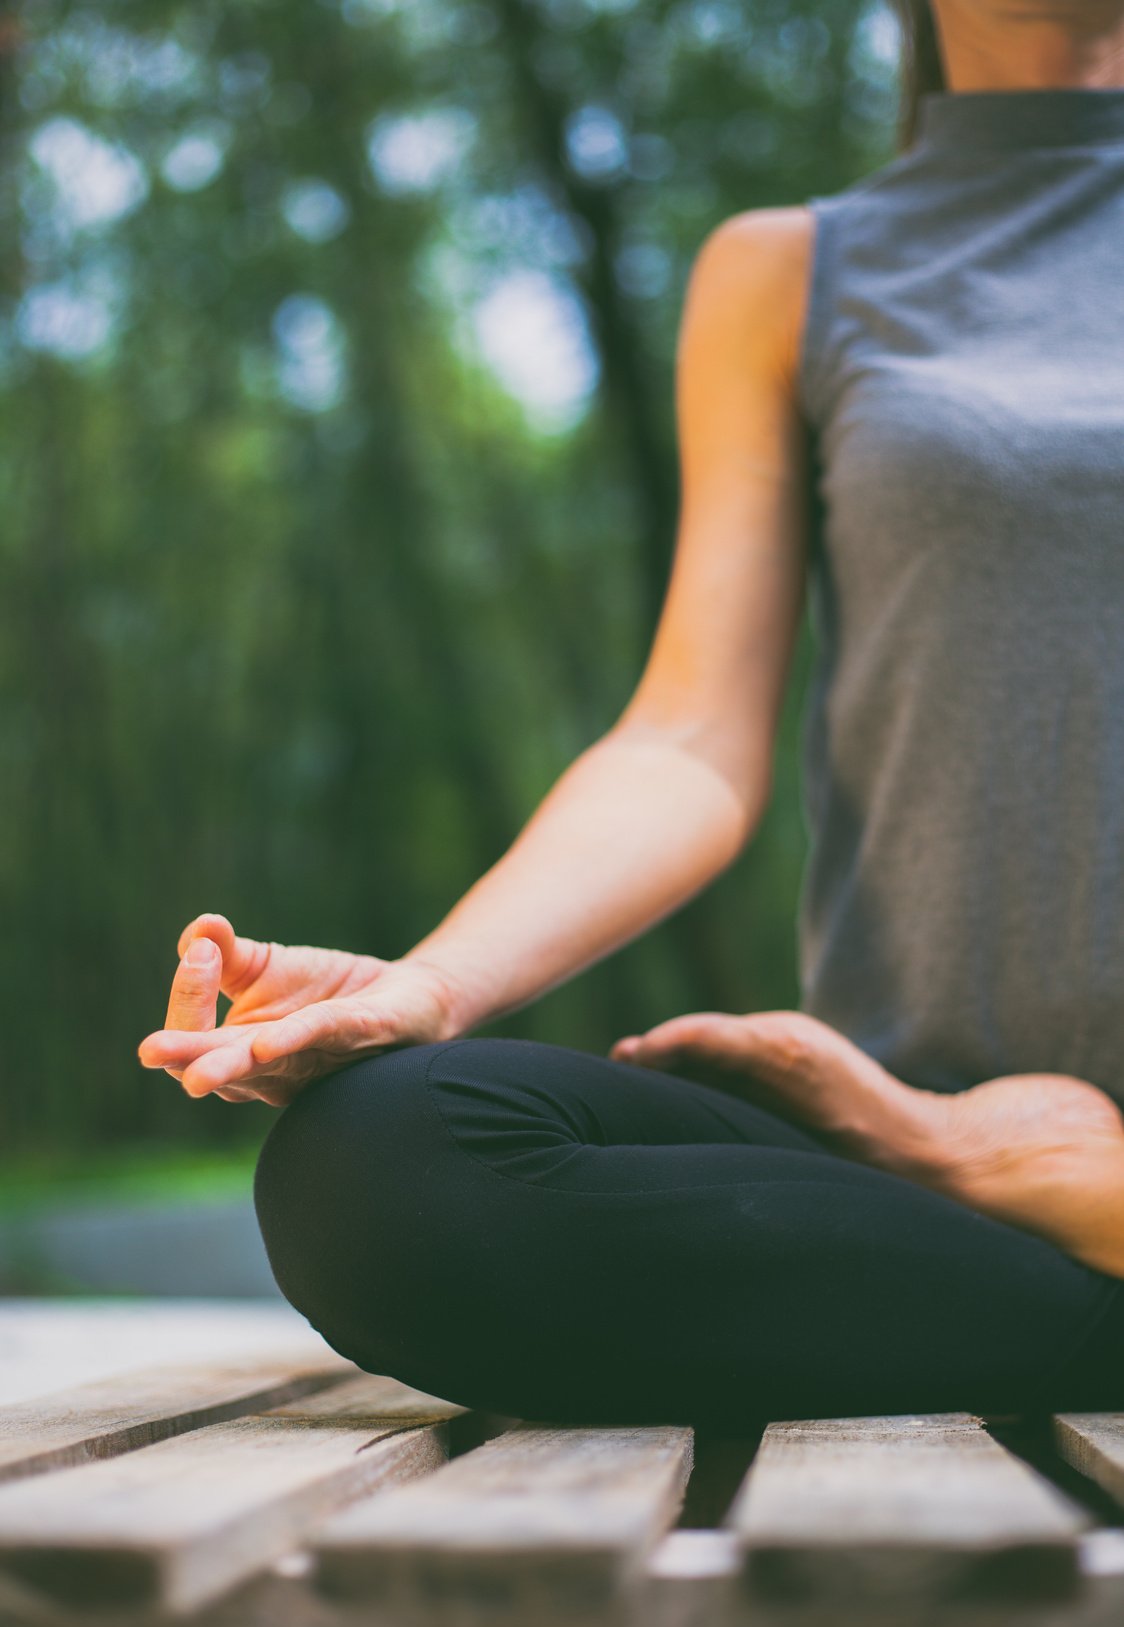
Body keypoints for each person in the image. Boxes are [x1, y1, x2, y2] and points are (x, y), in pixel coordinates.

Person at [137, 0, 1124, 1429]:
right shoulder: (790, 274)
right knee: (381, 1159)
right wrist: (438, 982)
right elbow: (687, 739)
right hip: (900, 1160)